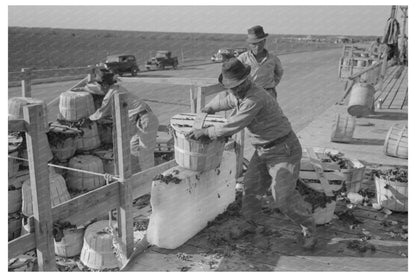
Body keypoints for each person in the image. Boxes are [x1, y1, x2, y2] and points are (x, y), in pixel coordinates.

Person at [186, 58, 317, 249]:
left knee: (282, 196)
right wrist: (208, 108)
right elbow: (224, 100)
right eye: (230, 87)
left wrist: (205, 132)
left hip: (283, 150)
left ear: (246, 80)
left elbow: (231, 126)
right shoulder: (239, 93)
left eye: (235, 87)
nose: (233, 91)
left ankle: (309, 228)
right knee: (251, 188)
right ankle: (251, 222)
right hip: (263, 150)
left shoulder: (255, 98)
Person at [88, 68, 159, 173]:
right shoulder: (117, 88)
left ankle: (150, 180)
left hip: (144, 120)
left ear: (105, 85)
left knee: (146, 155)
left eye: (99, 86)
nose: (99, 89)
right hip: (141, 120)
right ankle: (137, 176)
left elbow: (101, 113)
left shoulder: (112, 93)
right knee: (133, 149)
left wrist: (87, 119)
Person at [237, 25, 284, 100]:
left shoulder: (273, 59)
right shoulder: (242, 59)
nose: (258, 46)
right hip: (249, 96)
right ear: (249, 44)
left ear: (264, 41)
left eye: (260, 42)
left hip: (268, 94)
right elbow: (235, 76)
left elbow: (279, 72)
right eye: (254, 44)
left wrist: (271, 84)